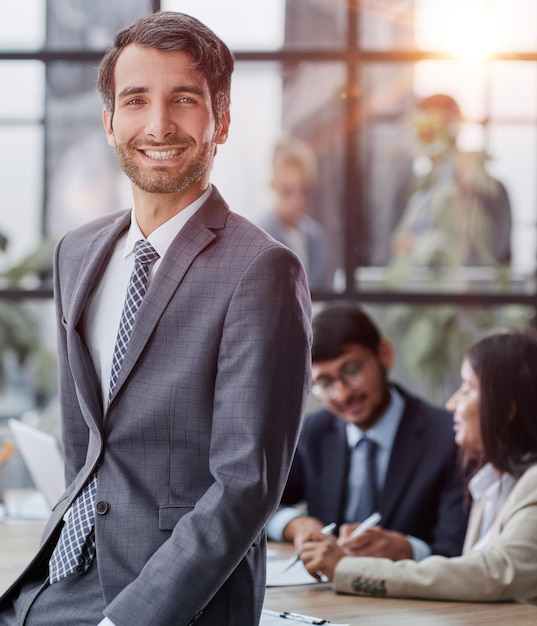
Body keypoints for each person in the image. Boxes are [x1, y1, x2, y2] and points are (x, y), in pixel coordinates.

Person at [0, 11, 312, 626]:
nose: (158, 124)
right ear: (110, 122)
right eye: (136, 100)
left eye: (184, 99)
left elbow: (246, 486)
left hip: (173, 605)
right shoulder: (77, 252)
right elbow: (81, 444)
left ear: (220, 118)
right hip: (55, 585)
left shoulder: (262, 271)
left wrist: (130, 621)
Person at [300, 329, 537, 604]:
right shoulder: (493, 481)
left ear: (507, 409)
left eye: (467, 389)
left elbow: (492, 574)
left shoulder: (531, 483)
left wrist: (347, 568)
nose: (451, 404)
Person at [267, 302, 468, 562]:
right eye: (325, 383)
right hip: (327, 591)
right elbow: (257, 506)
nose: (342, 394)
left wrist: (406, 550)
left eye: (352, 371)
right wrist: (295, 524)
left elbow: (457, 548)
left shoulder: (447, 438)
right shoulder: (315, 432)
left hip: (412, 594)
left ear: (384, 355)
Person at [389, 93, 512, 271]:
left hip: (472, 290)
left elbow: (499, 255)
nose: (434, 134)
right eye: (424, 127)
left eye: (442, 124)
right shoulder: (410, 190)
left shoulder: (491, 190)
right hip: (416, 290)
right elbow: (397, 247)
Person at [258, 135, 330, 290]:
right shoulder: (260, 235)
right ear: (273, 185)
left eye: (303, 190)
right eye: (287, 191)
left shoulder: (315, 235)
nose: (296, 201)